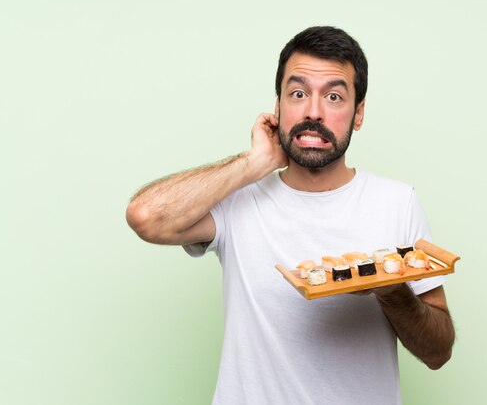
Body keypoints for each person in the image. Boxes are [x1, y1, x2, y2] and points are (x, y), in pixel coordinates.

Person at [126, 26, 455, 405]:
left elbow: (438, 352)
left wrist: (392, 291)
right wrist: (253, 163)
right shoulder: (236, 201)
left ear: (358, 113)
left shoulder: (397, 202)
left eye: (334, 96)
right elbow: (146, 216)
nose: (313, 112)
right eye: (298, 94)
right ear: (278, 107)